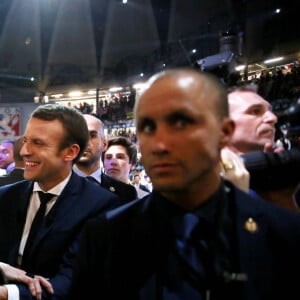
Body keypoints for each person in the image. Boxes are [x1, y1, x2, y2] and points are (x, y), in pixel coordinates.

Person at [69, 68, 300, 299]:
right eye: (148, 127)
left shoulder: (284, 232)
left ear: (224, 132)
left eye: (180, 123)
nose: (159, 145)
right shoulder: (103, 236)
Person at [0, 104, 119, 300]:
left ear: (70, 152)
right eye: (26, 140)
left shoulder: (100, 205)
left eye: (38, 143)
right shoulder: (5, 197)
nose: (24, 151)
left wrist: (7, 293)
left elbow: (72, 281)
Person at [227, 85, 299, 212]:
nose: (273, 118)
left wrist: (283, 201)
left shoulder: (288, 181)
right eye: (255, 111)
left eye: (269, 111)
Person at [74, 114, 137, 203]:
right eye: (78, 135)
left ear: (104, 144)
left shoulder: (126, 193)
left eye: (92, 135)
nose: (85, 141)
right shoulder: (52, 188)